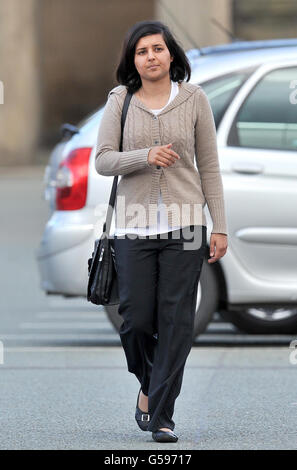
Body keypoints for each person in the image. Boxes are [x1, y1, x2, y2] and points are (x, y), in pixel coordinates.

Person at [95, 20, 228, 443]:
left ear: (172, 54)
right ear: (132, 59)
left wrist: (219, 226)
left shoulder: (194, 99)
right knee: (134, 318)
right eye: (141, 51)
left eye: (157, 48)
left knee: (176, 322)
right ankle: (150, 384)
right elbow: (102, 160)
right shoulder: (121, 100)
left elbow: (208, 165)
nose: (150, 56)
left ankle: (163, 415)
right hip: (134, 227)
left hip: (187, 224)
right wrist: (144, 155)